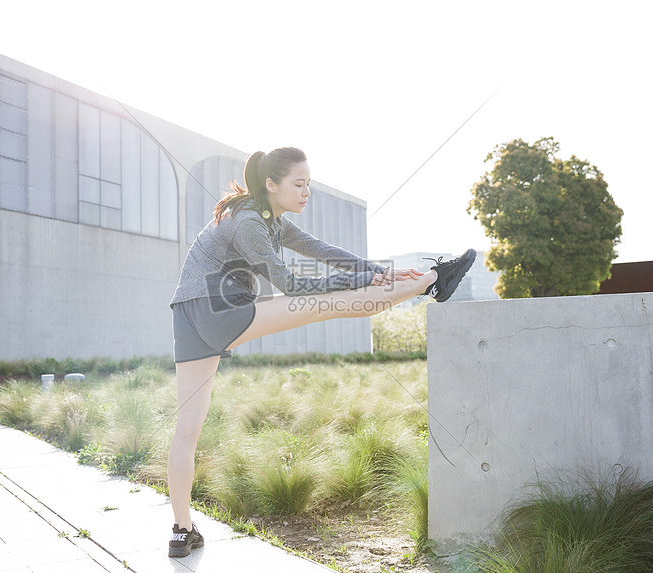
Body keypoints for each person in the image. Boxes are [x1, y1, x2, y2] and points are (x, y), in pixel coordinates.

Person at [166, 147, 475, 557]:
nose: (306, 191)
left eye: (308, 183)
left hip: (187, 316)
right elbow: (292, 286)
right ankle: (435, 278)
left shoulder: (269, 219)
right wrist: (361, 283)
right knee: (338, 303)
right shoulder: (250, 224)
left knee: (187, 430)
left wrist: (375, 272)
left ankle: (181, 531)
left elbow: (324, 251)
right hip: (217, 310)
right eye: (299, 184)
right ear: (271, 185)